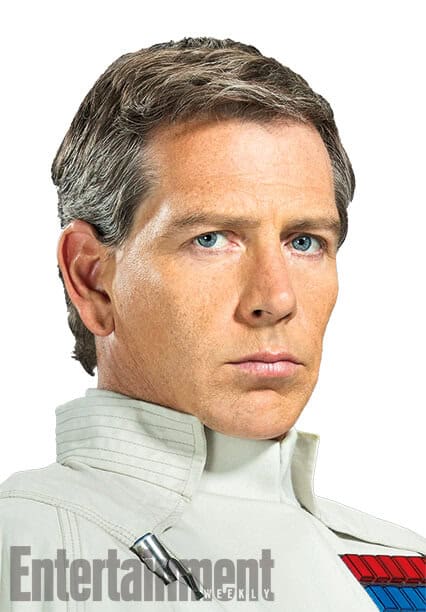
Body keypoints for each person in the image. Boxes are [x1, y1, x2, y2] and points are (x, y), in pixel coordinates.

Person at [0, 36, 424, 611]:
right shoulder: (22, 548)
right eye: (211, 239)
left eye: (304, 242)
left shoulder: (406, 573)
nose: (275, 298)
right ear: (92, 279)